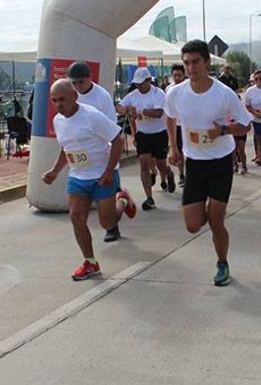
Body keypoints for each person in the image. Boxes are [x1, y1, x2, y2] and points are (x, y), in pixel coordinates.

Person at [165, 40, 252, 286]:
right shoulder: (176, 93)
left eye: (196, 62)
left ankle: (222, 262)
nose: (191, 68)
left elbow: (245, 125)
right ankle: (205, 206)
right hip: (194, 162)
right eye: (187, 63)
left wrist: (223, 130)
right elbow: (170, 117)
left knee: (216, 222)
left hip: (220, 162)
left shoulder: (224, 94)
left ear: (207, 63)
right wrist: (173, 147)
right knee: (193, 225)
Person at [42, 79, 136, 281]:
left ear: (74, 97)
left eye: (62, 99)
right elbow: (66, 148)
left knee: (107, 222)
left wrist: (109, 172)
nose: (58, 105)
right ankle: (90, 262)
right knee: (76, 217)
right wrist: (55, 171)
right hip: (78, 176)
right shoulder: (58, 121)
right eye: (54, 100)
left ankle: (123, 200)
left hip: (102, 175)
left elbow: (117, 140)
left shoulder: (92, 116)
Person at [68, 61, 125, 242]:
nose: (78, 86)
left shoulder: (102, 97)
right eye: (74, 83)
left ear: (90, 78)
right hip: (81, 158)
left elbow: (112, 129)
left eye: (81, 82)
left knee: (106, 216)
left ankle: (117, 213)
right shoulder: (71, 95)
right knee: (77, 211)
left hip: (102, 154)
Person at [116, 68, 174, 211]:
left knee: (161, 164)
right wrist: (127, 110)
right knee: (144, 164)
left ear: (149, 81)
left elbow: (158, 113)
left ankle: (169, 173)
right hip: (143, 134)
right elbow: (118, 107)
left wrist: (140, 110)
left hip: (159, 134)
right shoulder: (133, 95)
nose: (139, 86)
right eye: (137, 84)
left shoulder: (158, 93)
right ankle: (149, 198)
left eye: (142, 83)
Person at [244, 70, 261, 172]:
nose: (258, 81)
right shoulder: (250, 91)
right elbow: (247, 105)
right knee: (260, 143)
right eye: (256, 79)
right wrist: (255, 113)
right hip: (257, 120)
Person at [165, 63, 187, 186]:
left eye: (179, 75)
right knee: (178, 150)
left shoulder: (189, 87)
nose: (177, 78)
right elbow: (168, 111)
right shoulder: (169, 89)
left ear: (184, 76)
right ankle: (181, 174)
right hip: (176, 125)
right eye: (175, 75)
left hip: (187, 124)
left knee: (188, 151)